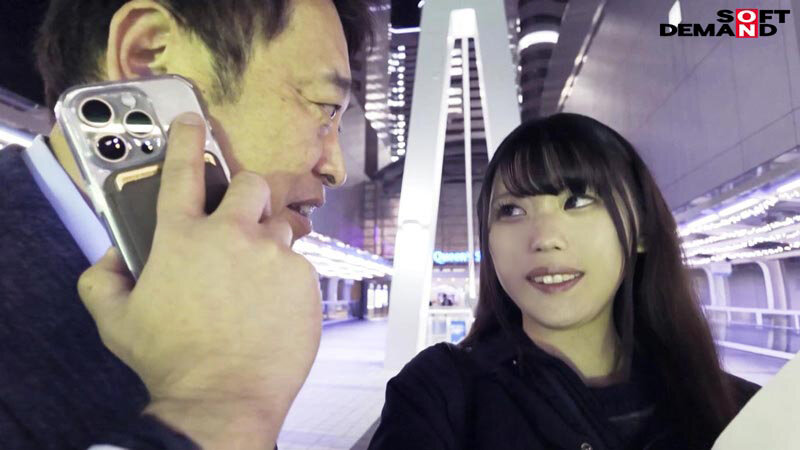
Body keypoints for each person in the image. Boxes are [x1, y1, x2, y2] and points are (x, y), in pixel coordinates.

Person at [0, 0, 371, 449]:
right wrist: (222, 408)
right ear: (148, 61)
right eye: (324, 107)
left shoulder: (215, 300)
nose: (336, 169)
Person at [368, 113, 760, 450]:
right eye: (511, 210)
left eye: (577, 201)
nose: (544, 238)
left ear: (640, 229)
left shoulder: (746, 416)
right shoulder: (438, 395)